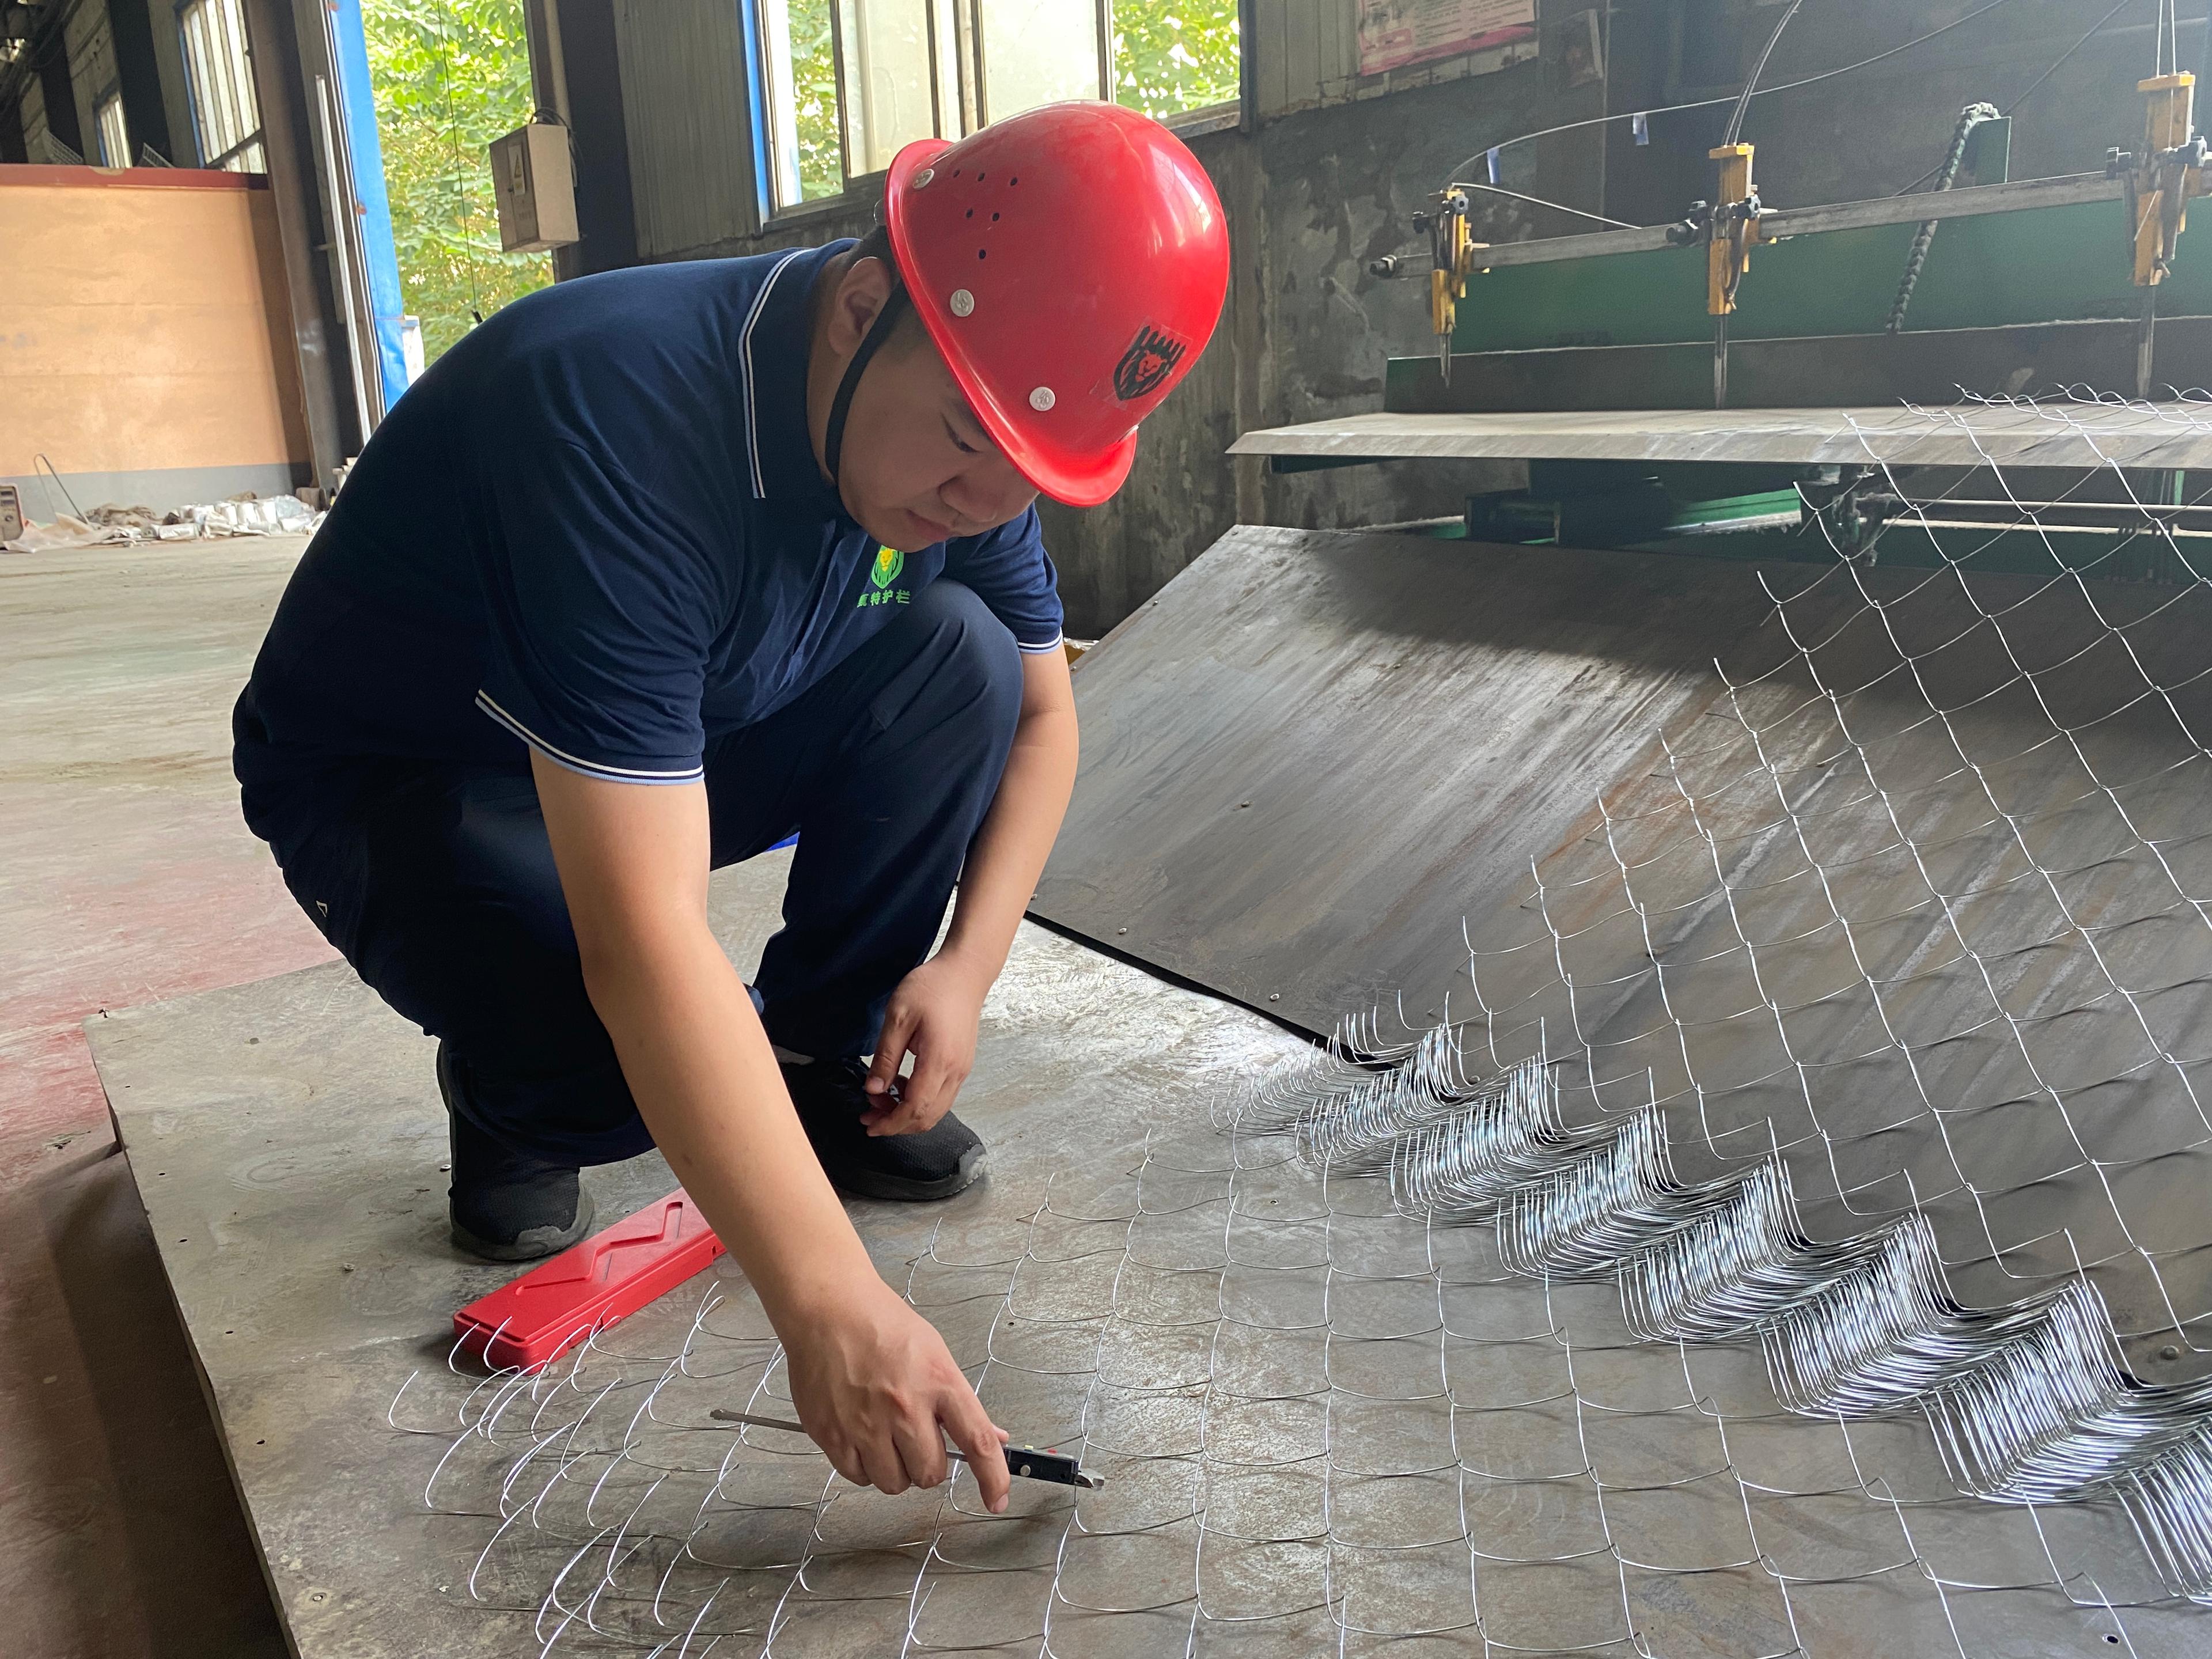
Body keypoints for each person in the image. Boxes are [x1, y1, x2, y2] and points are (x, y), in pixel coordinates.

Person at [229, 102, 1228, 1510]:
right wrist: (828, 1304)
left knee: (956, 659)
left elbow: (1047, 713)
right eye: (961, 438)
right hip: (412, 781)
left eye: (1026, 466)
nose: (985, 495)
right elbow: (645, 933)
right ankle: (512, 1090)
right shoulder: (617, 418)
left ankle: (828, 1067)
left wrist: (966, 967)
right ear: (864, 303)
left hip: (669, 720)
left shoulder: (979, 418)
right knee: (609, 1049)